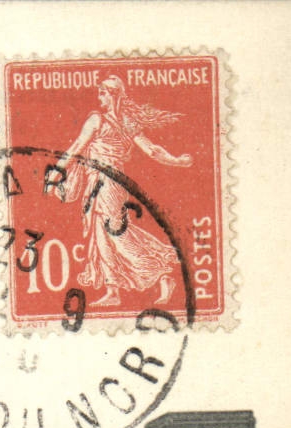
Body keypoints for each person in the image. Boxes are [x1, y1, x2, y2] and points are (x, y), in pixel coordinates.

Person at [59, 76, 192, 307]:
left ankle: (161, 275)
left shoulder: (97, 120)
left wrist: (57, 169)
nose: (99, 97)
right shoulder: (127, 122)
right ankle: (113, 290)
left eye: (102, 93)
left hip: (106, 183)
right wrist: (176, 161)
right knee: (101, 235)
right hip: (107, 182)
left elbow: (76, 148)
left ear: (112, 94)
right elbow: (153, 150)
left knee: (116, 234)